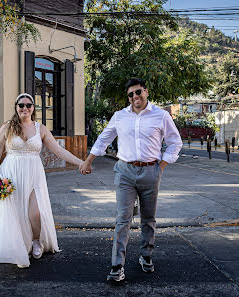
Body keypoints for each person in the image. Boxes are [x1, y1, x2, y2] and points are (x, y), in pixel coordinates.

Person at [80, 78, 182, 282]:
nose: (135, 97)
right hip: (125, 171)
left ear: (146, 91)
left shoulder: (161, 115)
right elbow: (104, 139)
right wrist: (88, 161)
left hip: (150, 171)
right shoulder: (119, 116)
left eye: (138, 92)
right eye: (131, 94)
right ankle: (117, 265)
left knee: (148, 218)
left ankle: (146, 256)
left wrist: (161, 167)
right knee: (123, 219)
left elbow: (175, 143)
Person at [0, 93, 84, 268]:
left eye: (28, 105)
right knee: (15, 213)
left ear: (33, 108)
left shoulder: (40, 129)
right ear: (16, 108)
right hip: (12, 174)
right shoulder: (7, 128)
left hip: (34, 174)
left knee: (36, 213)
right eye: (21, 105)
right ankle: (18, 245)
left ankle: (36, 241)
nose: (25, 108)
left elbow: (58, 151)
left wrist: (81, 162)